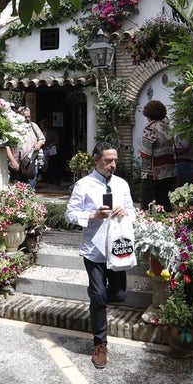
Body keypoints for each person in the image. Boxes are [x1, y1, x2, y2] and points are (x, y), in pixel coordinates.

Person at [65, 142, 134, 369]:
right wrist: (92, 215)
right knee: (98, 297)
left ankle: (99, 295)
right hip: (94, 250)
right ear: (96, 160)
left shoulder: (122, 185)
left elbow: (133, 212)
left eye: (115, 160)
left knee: (120, 295)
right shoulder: (83, 185)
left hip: (118, 250)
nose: (112, 165)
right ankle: (100, 344)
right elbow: (70, 214)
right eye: (107, 161)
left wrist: (125, 212)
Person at [138, 100, 176, 210]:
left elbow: (146, 153)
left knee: (146, 203)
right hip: (168, 171)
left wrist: (141, 151)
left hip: (152, 173)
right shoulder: (167, 128)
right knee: (164, 201)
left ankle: (144, 224)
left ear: (148, 114)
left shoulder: (150, 128)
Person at [7, 105, 45, 189]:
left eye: (29, 116)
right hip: (16, 162)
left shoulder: (33, 126)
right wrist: (12, 161)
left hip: (30, 161)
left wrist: (38, 145)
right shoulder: (13, 127)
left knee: (30, 186)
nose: (28, 119)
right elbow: (7, 146)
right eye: (25, 117)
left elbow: (42, 138)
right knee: (15, 187)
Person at [39, 119, 61, 183]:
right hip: (44, 151)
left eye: (43, 124)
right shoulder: (42, 132)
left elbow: (57, 140)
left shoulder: (52, 132)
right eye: (41, 124)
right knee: (44, 165)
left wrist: (51, 145)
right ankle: (46, 178)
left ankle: (54, 179)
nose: (42, 126)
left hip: (52, 151)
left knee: (53, 165)